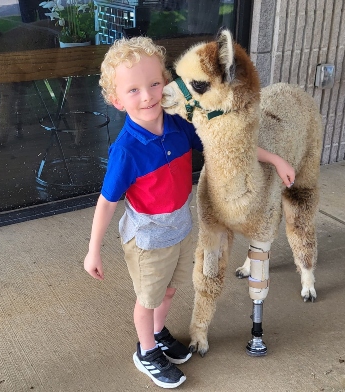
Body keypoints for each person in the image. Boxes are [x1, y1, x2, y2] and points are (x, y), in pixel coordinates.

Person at [83, 37, 295, 389]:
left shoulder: (178, 126)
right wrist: (93, 250)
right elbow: (107, 202)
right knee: (148, 299)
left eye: (154, 84)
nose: (149, 95)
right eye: (133, 90)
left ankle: (157, 333)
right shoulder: (127, 151)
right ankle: (146, 351)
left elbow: (226, 142)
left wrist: (274, 157)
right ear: (116, 101)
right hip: (149, 237)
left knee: (168, 292)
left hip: (180, 227)